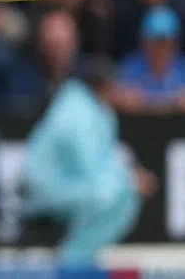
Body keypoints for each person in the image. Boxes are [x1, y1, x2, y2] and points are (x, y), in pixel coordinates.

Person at [20, 58, 157, 268]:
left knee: (123, 193)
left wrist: (131, 174)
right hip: (43, 193)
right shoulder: (75, 114)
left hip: (68, 187)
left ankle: (81, 258)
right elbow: (89, 166)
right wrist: (130, 179)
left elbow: (105, 157)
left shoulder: (95, 109)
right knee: (114, 194)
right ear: (102, 86)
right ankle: (72, 262)